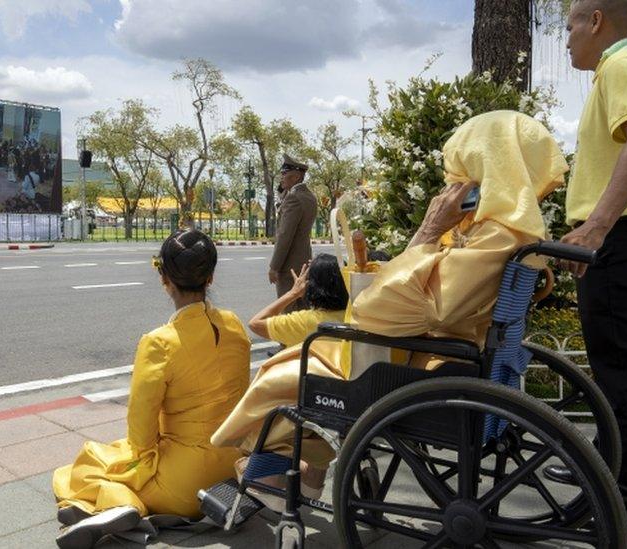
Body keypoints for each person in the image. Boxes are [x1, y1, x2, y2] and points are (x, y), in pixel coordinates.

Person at [213, 110, 568, 497]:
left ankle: (274, 472)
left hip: (429, 364)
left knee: (284, 373)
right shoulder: (509, 232)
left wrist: (429, 230)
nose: (451, 181)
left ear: (484, 164)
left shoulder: (494, 238)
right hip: (455, 357)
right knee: (307, 358)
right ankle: (308, 472)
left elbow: (378, 308)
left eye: (459, 169)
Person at [547, 0, 627, 536]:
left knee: (618, 371)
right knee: (611, 365)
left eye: (571, 25)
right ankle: (608, 466)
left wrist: (596, 225)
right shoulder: (626, 66)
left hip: (618, 237)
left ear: (596, 20)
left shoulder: (622, 63)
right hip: (621, 235)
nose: (568, 38)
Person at [53, 229, 251, 548]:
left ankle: (123, 504)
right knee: (118, 454)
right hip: (231, 466)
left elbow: (141, 426)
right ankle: (123, 505)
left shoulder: (160, 342)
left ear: (165, 280)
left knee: (86, 464)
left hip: (184, 484)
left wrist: (140, 463)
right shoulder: (233, 324)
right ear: (210, 277)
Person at [248, 253, 348, 348]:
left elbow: (255, 324)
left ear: (311, 286)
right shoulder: (356, 317)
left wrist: (293, 293)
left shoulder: (303, 322)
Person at [268, 154, 317, 313]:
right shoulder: (309, 197)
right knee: (302, 311)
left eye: (284, 174)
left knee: (288, 312)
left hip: (289, 265)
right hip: (304, 260)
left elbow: (285, 235)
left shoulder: (293, 198)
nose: (281, 177)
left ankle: (290, 340)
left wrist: (274, 267)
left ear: (296, 176)